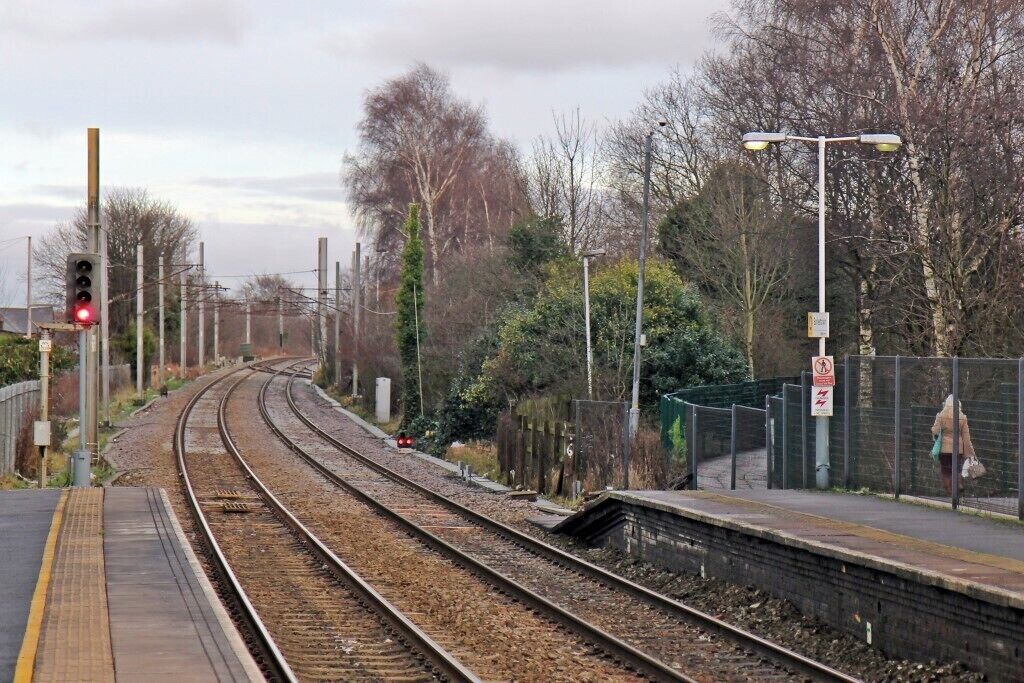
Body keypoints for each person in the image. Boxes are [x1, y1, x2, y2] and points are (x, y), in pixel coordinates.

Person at [931, 395, 976, 495]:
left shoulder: (941, 415)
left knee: (946, 471)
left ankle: (949, 491)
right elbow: (966, 436)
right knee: (957, 468)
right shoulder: (962, 417)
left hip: (944, 449)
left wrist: (937, 436)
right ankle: (959, 483)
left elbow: (935, 430)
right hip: (958, 448)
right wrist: (969, 452)